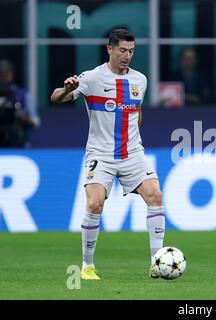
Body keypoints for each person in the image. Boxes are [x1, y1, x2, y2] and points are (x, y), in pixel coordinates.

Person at [50, 29, 165, 280]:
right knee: (94, 203)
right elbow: (55, 98)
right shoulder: (92, 78)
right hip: (100, 154)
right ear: (109, 49)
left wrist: (134, 139)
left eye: (131, 51)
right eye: (122, 50)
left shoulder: (140, 80)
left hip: (132, 152)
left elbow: (136, 112)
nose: (127, 56)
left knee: (155, 195)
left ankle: (156, 263)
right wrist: (67, 89)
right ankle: (87, 266)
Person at [0, 59, 40, 147]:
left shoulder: (21, 94)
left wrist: (24, 118)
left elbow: (36, 121)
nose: (3, 78)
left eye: (6, 74)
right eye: (1, 75)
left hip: (16, 142)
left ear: (11, 75)